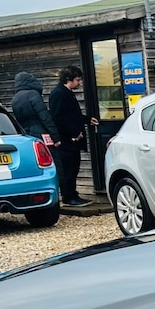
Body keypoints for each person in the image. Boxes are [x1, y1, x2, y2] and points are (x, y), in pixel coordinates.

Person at [9, 72, 74, 203]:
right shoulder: (33, 94)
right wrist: (56, 137)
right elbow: (45, 117)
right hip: (41, 133)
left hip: (27, 136)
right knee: (55, 164)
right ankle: (64, 195)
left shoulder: (15, 99)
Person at [48, 66, 96, 208]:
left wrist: (87, 119)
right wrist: (74, 132)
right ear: (69, 79)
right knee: (69, 169)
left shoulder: (66, 93)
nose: (79, 83)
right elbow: (58, 117)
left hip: (72, 139)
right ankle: (69, 197)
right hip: (67, 140)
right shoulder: (59, 94)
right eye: (77, 80)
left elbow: (72, 114)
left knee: (73, 168)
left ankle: (73, 195)